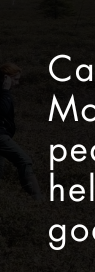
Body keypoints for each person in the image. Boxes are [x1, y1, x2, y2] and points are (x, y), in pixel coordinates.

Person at [0, 63, 38, 199]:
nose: (17, 83)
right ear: (6, 78)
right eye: (15, 79)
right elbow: (2, 110)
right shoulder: (3, 92)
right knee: (24, 160)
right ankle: (37, 200)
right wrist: (5, 90)